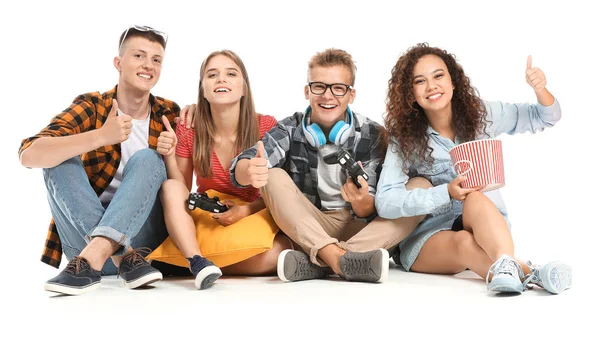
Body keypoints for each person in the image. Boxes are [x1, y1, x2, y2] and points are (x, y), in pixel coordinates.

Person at [375, 43, 572, 294]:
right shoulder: (404, 138)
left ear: (453, 81)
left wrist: (540, 88)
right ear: (410, 94)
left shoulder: (482, 114)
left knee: (476, 196)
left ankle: (506, 264)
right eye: (420, 81)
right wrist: (445, 192)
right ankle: (533, 273)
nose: (432, 86)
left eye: (438, 76)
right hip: (430, 237)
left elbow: (546, 116)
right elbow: (385, 201)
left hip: (486, 227)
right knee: (464, 242)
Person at [231, 48, 425, 283]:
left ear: (351, 95)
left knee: (420, 186)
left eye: (338, 88)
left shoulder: (373, 134)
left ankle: (322, 262)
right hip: (312, 224)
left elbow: (369, 211)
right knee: (271, 176)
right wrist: (249, 170)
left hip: (361, 227)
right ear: (307, 91)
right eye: (319, 86)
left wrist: (361, 200)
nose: (328, 96)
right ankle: (343, 260)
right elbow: (246, 163)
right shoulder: (290, 129)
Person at [18, 25, 181, 295]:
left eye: (156, 60)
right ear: (118, 63)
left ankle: (100, 256)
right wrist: (99, 136)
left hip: (144, 245)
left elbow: (179, 194)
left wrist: (171, 155)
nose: (148, 65)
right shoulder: (92, 106)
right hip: (97, 250)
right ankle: (118, 254)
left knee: (149, 159)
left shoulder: (169, 113)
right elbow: (29, 154)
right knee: (60, 159)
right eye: (139, 56)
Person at [157, 50, 292, 290]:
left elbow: (281, 190)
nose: (221, 79)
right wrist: (169, 156)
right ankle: (197, 261)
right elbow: (181, 189)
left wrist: (245, 210)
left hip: (255, 209)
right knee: (169, 186)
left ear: (244, 88)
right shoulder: (190, 128)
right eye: (212, 75)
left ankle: (180, 265)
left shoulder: (266, 126)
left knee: (279, 251)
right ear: (204, 91)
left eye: (231, 73)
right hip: (210, 210)